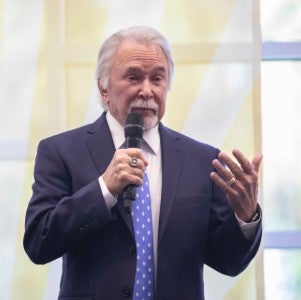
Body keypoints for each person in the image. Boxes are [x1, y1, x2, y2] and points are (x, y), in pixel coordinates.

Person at [23, 26, 263, 300]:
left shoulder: (202, 161)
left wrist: (246, 217)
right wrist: (104, 189)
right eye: (133, 77)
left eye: (157, 79)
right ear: (104, 87)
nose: (147, 91)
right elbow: (38, 244)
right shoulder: (61, 151)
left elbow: (229, 261)